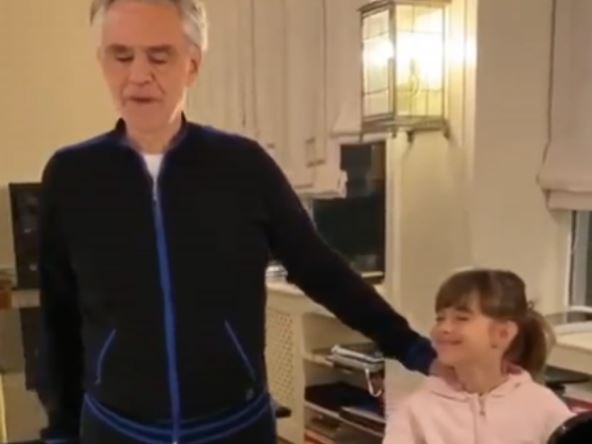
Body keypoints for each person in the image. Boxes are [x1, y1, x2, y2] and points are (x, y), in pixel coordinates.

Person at [36, 1, 437, 443]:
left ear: (192, 64)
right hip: (115, 431)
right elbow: (57, 316)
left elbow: (320, 270)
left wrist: (413, 348)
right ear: (102, 61)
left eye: (159, 56)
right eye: (121, 55)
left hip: (236, 428)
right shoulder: (71, 176)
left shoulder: (244, 166)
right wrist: (60, 430)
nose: (138, 75)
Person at [383, 268, 574, 444]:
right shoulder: (416, 411)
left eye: (461, 318)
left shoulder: (543, 406)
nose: (444, 328)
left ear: (503, 334)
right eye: (440, 318)